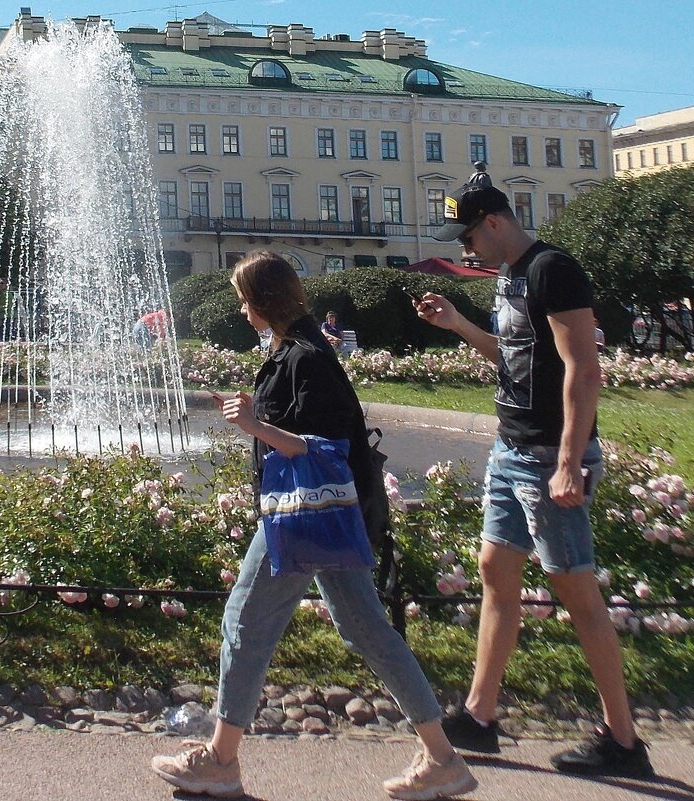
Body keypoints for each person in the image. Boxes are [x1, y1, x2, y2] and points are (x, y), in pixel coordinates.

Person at [151, 250, 478, 801]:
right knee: (368, 631)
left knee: (244, 622)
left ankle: (221, 761)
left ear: (262, 301)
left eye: (243, 298)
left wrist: (254, 424)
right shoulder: (295, 349)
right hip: (328, 518)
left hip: (303, 517)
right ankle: (443, 759)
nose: (240, 308)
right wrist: (258, 421)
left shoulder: (306, 356)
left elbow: (324, 449)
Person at [413, 184, 653, 778]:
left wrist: (570, 460)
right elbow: (516, 356)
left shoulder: (553, 270)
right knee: (496, 569)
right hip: (511, 448)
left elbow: (582, 368)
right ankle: (479, 716)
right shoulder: (508, 275)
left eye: (468, 237)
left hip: (549, 457)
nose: (466, 249)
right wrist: (459, 325)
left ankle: (623, 741)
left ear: (494, 222)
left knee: (575, 591)